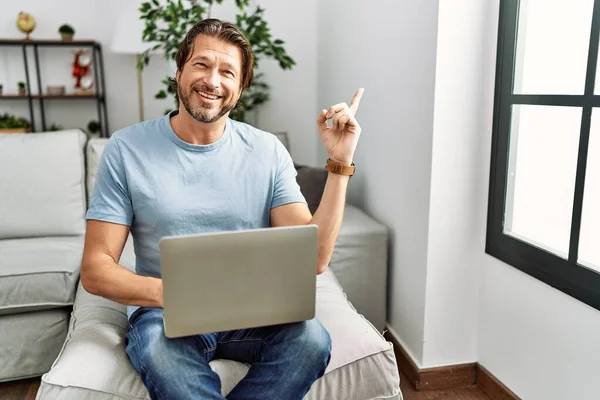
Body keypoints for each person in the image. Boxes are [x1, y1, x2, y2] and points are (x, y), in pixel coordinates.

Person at [81, 18, 363, 400]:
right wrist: (176, 293)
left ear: (241, 87)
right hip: (166, 313)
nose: (213, 81)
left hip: (256, 311)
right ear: (179, 70)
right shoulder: (125, 149)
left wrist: (340, 163)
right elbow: (96, 269)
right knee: (158, 350)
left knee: (311, 339)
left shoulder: (267, 151)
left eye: (227, 71)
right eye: (201, 64)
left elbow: (312, 258)